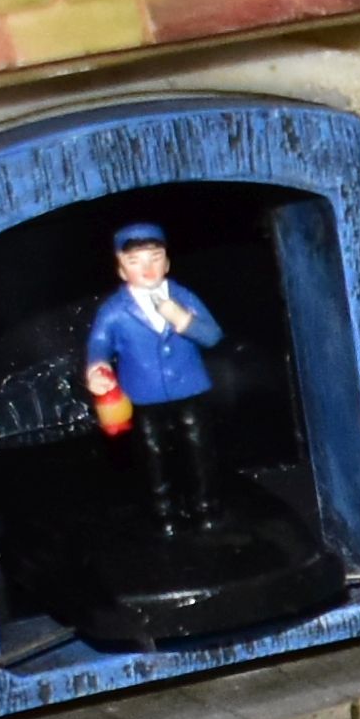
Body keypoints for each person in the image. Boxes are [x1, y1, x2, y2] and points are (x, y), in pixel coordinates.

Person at [86, 219, 230, 543]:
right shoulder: (114, 310)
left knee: (199, 447)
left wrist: (183, 320)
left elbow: (213, 335)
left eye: (154, 258)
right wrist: (96, 368)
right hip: (143, 393)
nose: (147, 268)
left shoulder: (184, 297)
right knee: (152, 455)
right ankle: (164, 513)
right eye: (135, 262)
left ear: (166, 261)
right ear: (121, 270)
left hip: (189, 388)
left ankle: (207, 507)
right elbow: (99, 343)